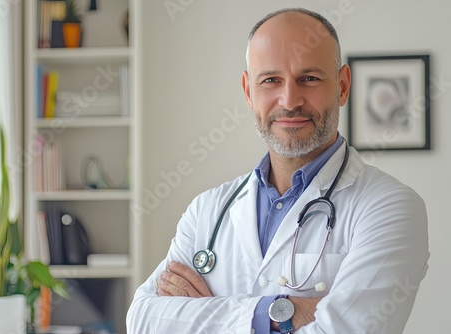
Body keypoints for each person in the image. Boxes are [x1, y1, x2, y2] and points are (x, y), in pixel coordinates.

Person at [126, 7, 429, 334]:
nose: (290, 99)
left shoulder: (390, 207)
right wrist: (278, 313)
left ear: (342, 86)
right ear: (248, 92)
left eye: (309, 78)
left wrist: (201, 313)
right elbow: (142, 320)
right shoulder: (207, 211)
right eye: (271, 80)